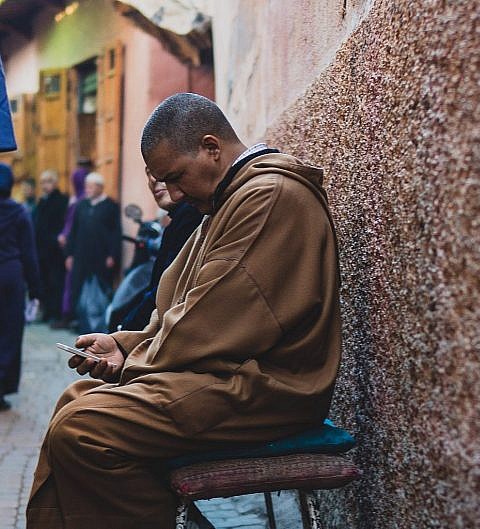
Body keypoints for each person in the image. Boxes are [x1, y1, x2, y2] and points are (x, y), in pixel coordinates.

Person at [26, 93, 341, 528]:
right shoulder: (224, 200)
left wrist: (128, 360)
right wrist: (123, 344)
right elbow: (177, 303)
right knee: (75, 401)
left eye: (176, 177)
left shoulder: (269, 196)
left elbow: (214, 321)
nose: (172, 193)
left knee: (84, 430)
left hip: (268, 386)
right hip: (225, 373)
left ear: (212, 148)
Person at [118, 167, 203, 331]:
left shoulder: (191, 216)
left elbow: (168, 291)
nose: (153, 179)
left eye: (161, 167)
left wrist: (125, 333)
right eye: (148, 173)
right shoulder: (178, 219)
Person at [0, 163, 40, 411]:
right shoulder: (19, 212)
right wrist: (36, 291)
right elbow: (29, 253)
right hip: (11, 276)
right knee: (9, 333)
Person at [64, 171, 121, 333]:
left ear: (100, 187)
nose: (87, 189)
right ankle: (81, 322)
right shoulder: (81, 205)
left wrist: (112, 255)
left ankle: (99, 324)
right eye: (86, 186)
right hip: (81, 256)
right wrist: (69, 254)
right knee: (79, 288)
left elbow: (116, 232)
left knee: (100, 290)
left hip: (101, 256)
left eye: (91, 186)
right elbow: (73, 231)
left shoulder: (110, 206)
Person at [53, 160, 90, 329]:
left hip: (77, 249)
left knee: (74, 283)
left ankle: (71, 316)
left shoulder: (82, 201)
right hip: (71, 248)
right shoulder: (76, 199)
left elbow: (74, 227)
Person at [34, 169, 68, 323]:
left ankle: (55, 313)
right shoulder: (42, 201)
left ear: (54, 183)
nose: (44, 185)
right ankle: (47, 311)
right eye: (42, 182)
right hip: (42, 249)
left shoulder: (61, 200)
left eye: (48, 181)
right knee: (44, 281)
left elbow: (63, 224)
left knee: (56, 282)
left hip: (55, 250)